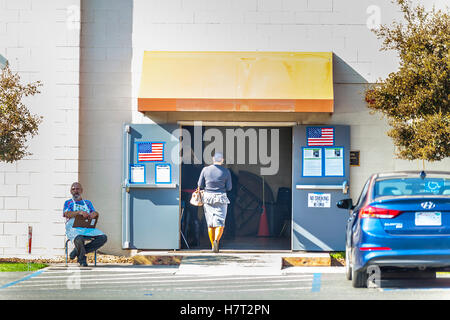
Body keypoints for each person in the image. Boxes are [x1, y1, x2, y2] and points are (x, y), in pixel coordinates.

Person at [63, 182, 107, 266]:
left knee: (103, 237)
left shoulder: (87, 203)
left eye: (77, 189)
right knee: (79, 238)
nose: (75, 191)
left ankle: (77, 251)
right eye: (73, 189)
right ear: (70, 191)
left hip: (87, 228)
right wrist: (79, 212)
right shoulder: (68, 203)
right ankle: (82, 259)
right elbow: (67, 214)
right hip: (74, 228)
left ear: (81, 190)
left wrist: (95, 213)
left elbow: (94, 212)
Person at [197, 152, 232, 253]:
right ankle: (217, 240)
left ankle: (213, 245)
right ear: (222, 160)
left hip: (208, 197)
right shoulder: (226, 171)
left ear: (213, 159)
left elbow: (200, 184)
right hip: (221, 197)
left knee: (210, 223)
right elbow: (229, 187)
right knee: (220, 222)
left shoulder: (205, 170)